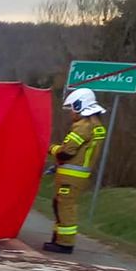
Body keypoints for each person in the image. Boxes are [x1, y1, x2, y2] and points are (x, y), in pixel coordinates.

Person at [45, 87, 108, 254]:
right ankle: (59, 238)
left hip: (71, 176)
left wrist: (50, 148)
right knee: (62, 204)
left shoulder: (83, 127)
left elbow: (67, 151)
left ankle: (64, 243)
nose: (71, 112)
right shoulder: (97, 125)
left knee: (65, 206)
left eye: (72, 108)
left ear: (80, 106)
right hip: (78, 173)